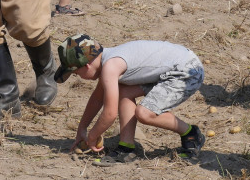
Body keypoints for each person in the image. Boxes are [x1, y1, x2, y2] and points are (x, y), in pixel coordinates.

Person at [58, 34, 206, 165]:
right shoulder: (109, 59)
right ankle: (126, 148)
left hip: (187, 71)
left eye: (77, 73)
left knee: (145, 113)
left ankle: (191, 133)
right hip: (173, 66)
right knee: (123, 90)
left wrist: (92, 136)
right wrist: (82, 128)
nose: (79, 77)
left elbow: (110, 114)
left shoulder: (111, 66)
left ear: (87, 65)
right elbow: (97, 99)